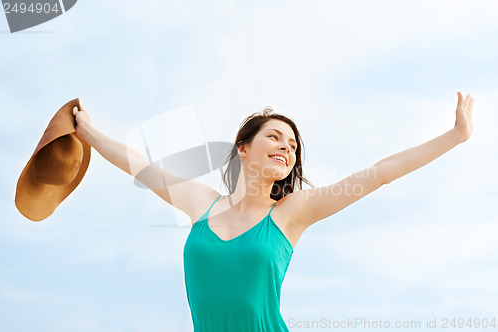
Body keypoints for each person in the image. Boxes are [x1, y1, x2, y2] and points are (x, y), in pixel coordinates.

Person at [72, 91, 474, 331]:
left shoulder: (291, 212)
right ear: (243, 148)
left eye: (293, 145)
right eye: (275, 137)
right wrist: (86, 131)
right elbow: (139, 165)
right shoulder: (201, 202)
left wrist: (455, 136)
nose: (287, 147)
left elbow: (381, 173)